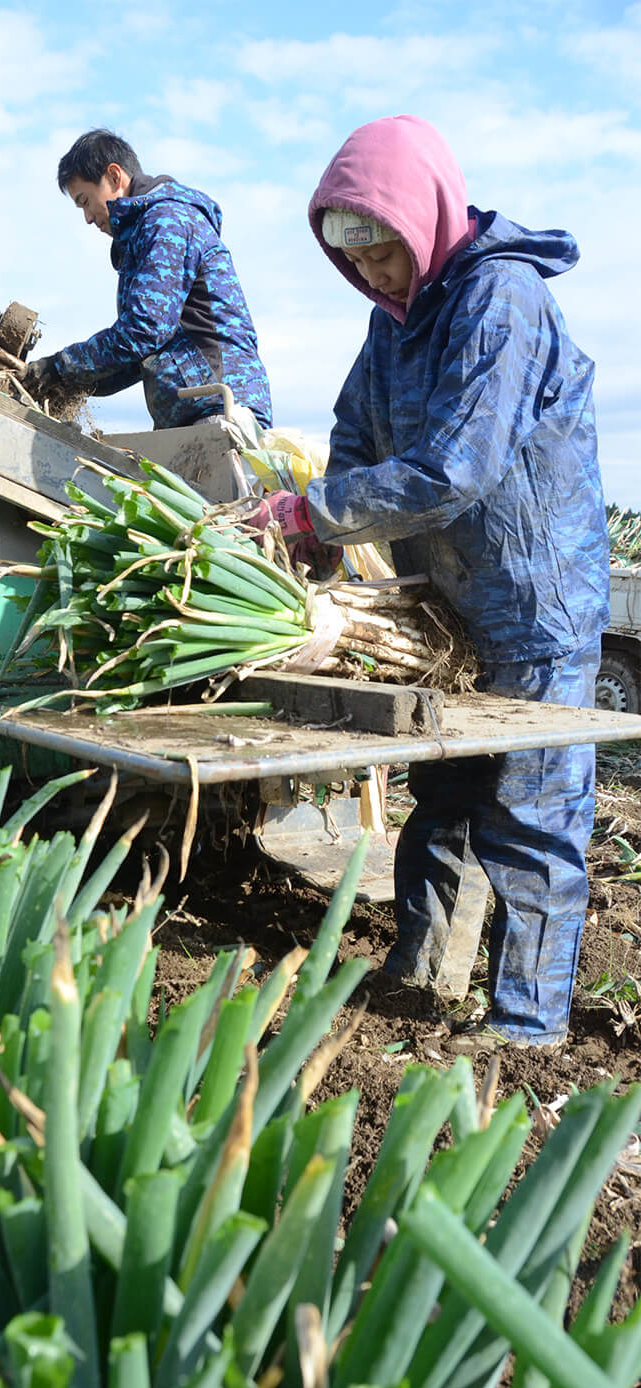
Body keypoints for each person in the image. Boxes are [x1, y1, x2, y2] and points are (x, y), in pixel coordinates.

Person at [251, 114, 609, 1050]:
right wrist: (320, 522)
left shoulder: (501, 296)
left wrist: (320, 514)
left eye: (382, 249)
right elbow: (359, 433)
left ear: (423, 217)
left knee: (531, 809)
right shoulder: (391, 324)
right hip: (449, 605)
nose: (370, 274)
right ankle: (423, 977)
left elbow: (459, 465)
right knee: (445, 797)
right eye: (353, 256)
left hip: (536, 600)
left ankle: (526, 1029)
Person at [23, 128, 272, 432]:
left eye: (85, 201)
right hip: (193, 410)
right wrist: (69, 383)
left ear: (114, 177)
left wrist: (60, 366)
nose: (87, 217)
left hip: (219, 408)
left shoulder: (167, 222)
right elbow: (138, 355)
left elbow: (144, 330)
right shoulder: (143, 232)